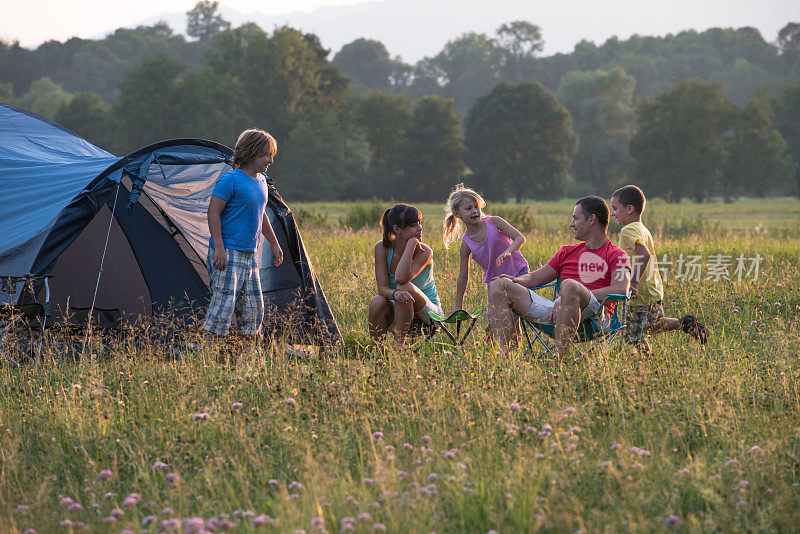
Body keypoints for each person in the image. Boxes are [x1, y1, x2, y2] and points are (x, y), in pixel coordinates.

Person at [488, 196, 630, 357]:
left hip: (595, 318)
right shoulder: (566, 251)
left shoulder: (617, 255)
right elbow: (534, 278)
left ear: (592, 219)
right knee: (499, 285)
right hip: (556, 310)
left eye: (575, 219)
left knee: (570, 285)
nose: (571, 224)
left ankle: (560, 361)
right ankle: (505, 359)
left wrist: (569, 296)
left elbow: (621, 289)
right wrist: (515, 280)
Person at [202, 128, 284, 338]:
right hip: (228, 252)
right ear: (253, 153)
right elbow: (213, 213)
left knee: (254, 310)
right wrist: (219, 248)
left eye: (271, 155)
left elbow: (260, 214)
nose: (270, 160)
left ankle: (246, 360)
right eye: (267, 155)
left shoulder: (262, 181)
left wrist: (274, 243)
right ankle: (208, 359)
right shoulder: (231, 180)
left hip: (250, 254)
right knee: (222, 308)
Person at [610, 185, 708, 353]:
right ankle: (684, 323)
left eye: (615, 208)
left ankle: (644, 364)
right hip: (653, 289)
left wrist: (632, 282)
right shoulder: (643, 229)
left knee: (633, 336)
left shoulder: (627, 230)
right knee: (654, 324)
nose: (612, 213)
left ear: (629, 209)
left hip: (638, 291)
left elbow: (645, 255)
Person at [443, 183, 529, 313]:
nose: (474, 211)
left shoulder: (495, 222)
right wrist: (458, 306)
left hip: (518, 273)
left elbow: (520, 238)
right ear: (457, 213)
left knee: (513, 317)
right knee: (496, 324)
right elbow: (463, 276)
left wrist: (508, 251)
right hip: (494, 285)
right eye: (468, 208)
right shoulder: (466, 244)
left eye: (476, 206)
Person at [368, 204, 443, 349]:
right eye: (413, 225)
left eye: (420, 224)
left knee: (405, 287)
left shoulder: (424, 252)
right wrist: (395, 294)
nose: (420, 229)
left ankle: (398, 348)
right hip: (399, 310)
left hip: (430, 315)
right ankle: (379, 353)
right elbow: (382, 289)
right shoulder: (381, 248)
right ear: (397, 229)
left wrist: (412, 244)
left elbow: (401, 278)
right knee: (377, 301)